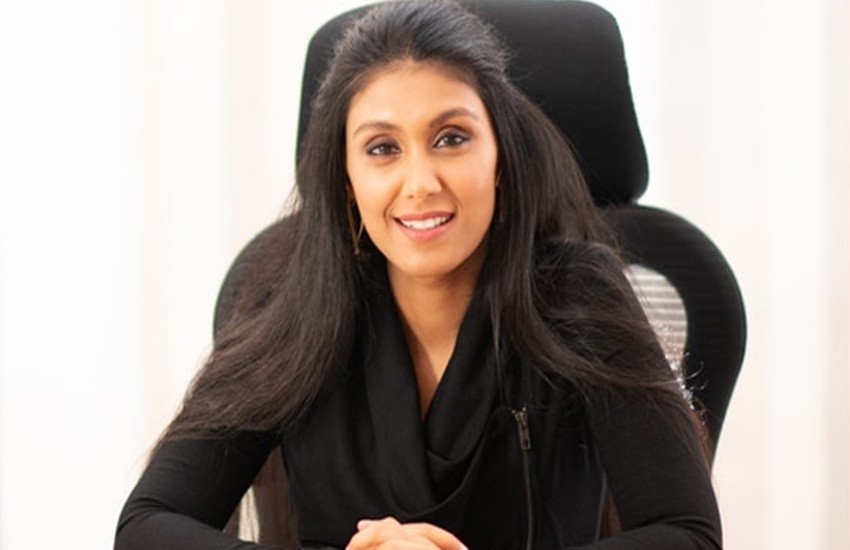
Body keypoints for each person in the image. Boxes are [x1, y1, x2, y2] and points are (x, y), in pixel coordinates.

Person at [115, 1, 722, 548]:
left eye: (451, 138)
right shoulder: (293, 298)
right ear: (346, 179)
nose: (421, 183)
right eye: (382, 148)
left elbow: (688, 534)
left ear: (500, 157)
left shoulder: (578, 293)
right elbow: (147, 525)